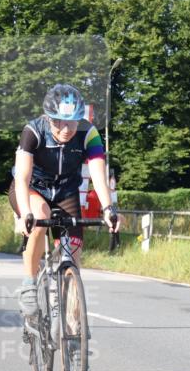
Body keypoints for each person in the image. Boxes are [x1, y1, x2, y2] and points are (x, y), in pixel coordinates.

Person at [10, 84, 120, 317]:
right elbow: (22, 177)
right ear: (48, 117)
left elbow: (98, 175)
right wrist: (24, 213)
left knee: (73, 256)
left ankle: (72, 329)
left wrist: (108, 208)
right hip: (33, 189)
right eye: (58, 121)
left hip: (65, 192)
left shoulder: (88, 133)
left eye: (72, 122)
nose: (66, 128)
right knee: (40, 217)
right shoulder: (33, 130)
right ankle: (29, 284)